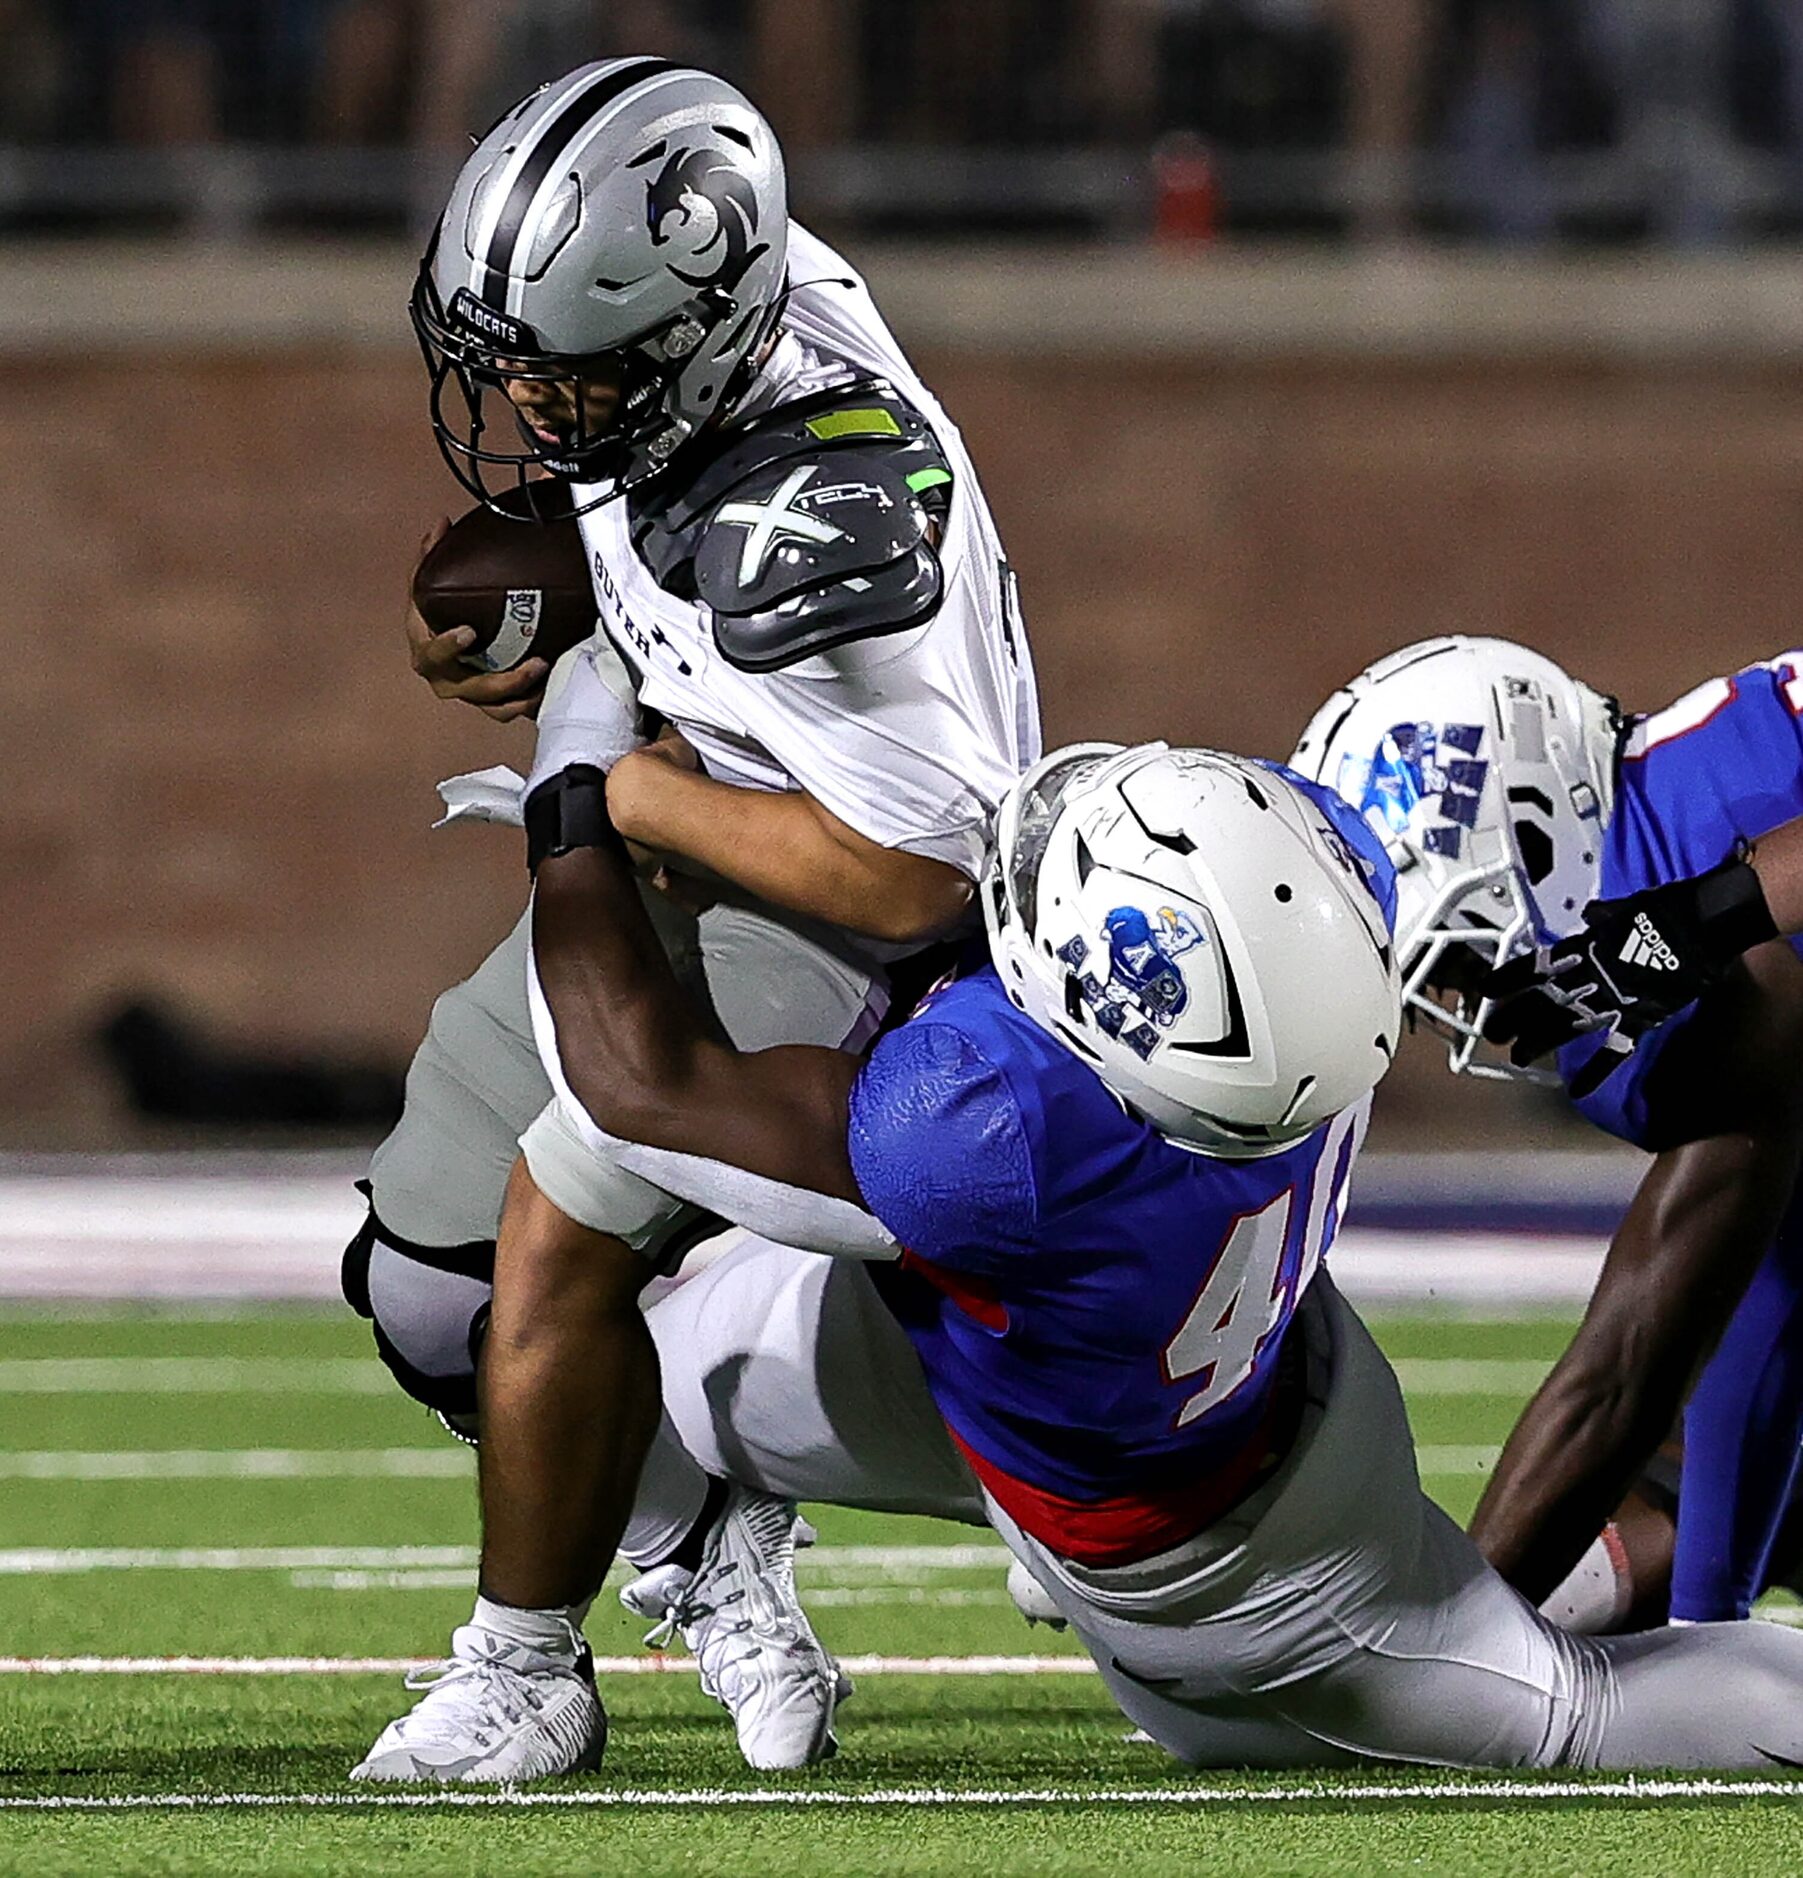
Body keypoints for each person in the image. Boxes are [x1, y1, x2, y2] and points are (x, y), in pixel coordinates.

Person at [370, 717, 1803, 1777]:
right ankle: (700, 1559)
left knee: (1566, 1715)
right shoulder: (1298, 960)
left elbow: (633, 1077)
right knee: (613, 1358)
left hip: (1238, 1592)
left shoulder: (993, 1127)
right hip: (1208, 1386)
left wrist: (578, 785)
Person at [346, 58, 1038, 1778]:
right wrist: (565, 592)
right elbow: (654, 493)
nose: (513, 391)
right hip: (708, 839)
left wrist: (621, 784)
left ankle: (527, 1663)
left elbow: (919, 866)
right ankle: (704, 1541)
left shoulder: (811, 528)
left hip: (834, 906)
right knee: (424, 1293)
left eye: (557, 373)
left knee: (559, 1209)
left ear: (690, 350)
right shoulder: (730, 317)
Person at [1291, 636, 1803, 1632]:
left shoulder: (1711, 845)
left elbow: (1631, 1364)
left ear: (1534, 834)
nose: (1462, 1001)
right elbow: (1651, 1356)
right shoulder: (1680, 866)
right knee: (1689, 1473)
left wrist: (1706, 920)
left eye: (1465, 958)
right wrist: (1439, 1646)